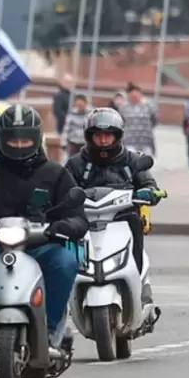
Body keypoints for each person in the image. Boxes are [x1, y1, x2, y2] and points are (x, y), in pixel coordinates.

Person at [0, 104, 88, 351]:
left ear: (36, 139)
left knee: (65, 262)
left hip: (42, 245)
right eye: (13, 141)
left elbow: (78, 217)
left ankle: (50, 328)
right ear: (2, 140)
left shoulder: (56, 174)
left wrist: (63, 226)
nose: (19, 146)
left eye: (25, 140)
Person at [65, 108, 162, 300]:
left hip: (122, 217)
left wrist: (149, 192)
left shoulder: (132, 160)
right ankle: (69, 289)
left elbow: (149, 184)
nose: (103, 141)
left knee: (135, 221)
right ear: (89, 136)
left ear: (117, 136)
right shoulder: (76, 163)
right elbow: (62, 188)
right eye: (98, 136)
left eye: (108, 135)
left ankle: (138, 279)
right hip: (85, 219)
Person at [120, 83, 157, 157]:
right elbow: (121, 123)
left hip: (146, 140)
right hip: (129, 140)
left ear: (141, 95)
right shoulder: (124, 107)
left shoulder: (149, 106)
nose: (135, 98)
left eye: (137, 96)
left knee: (146, 163)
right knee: (132, 162)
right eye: (132, 96)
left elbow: (154, 120)